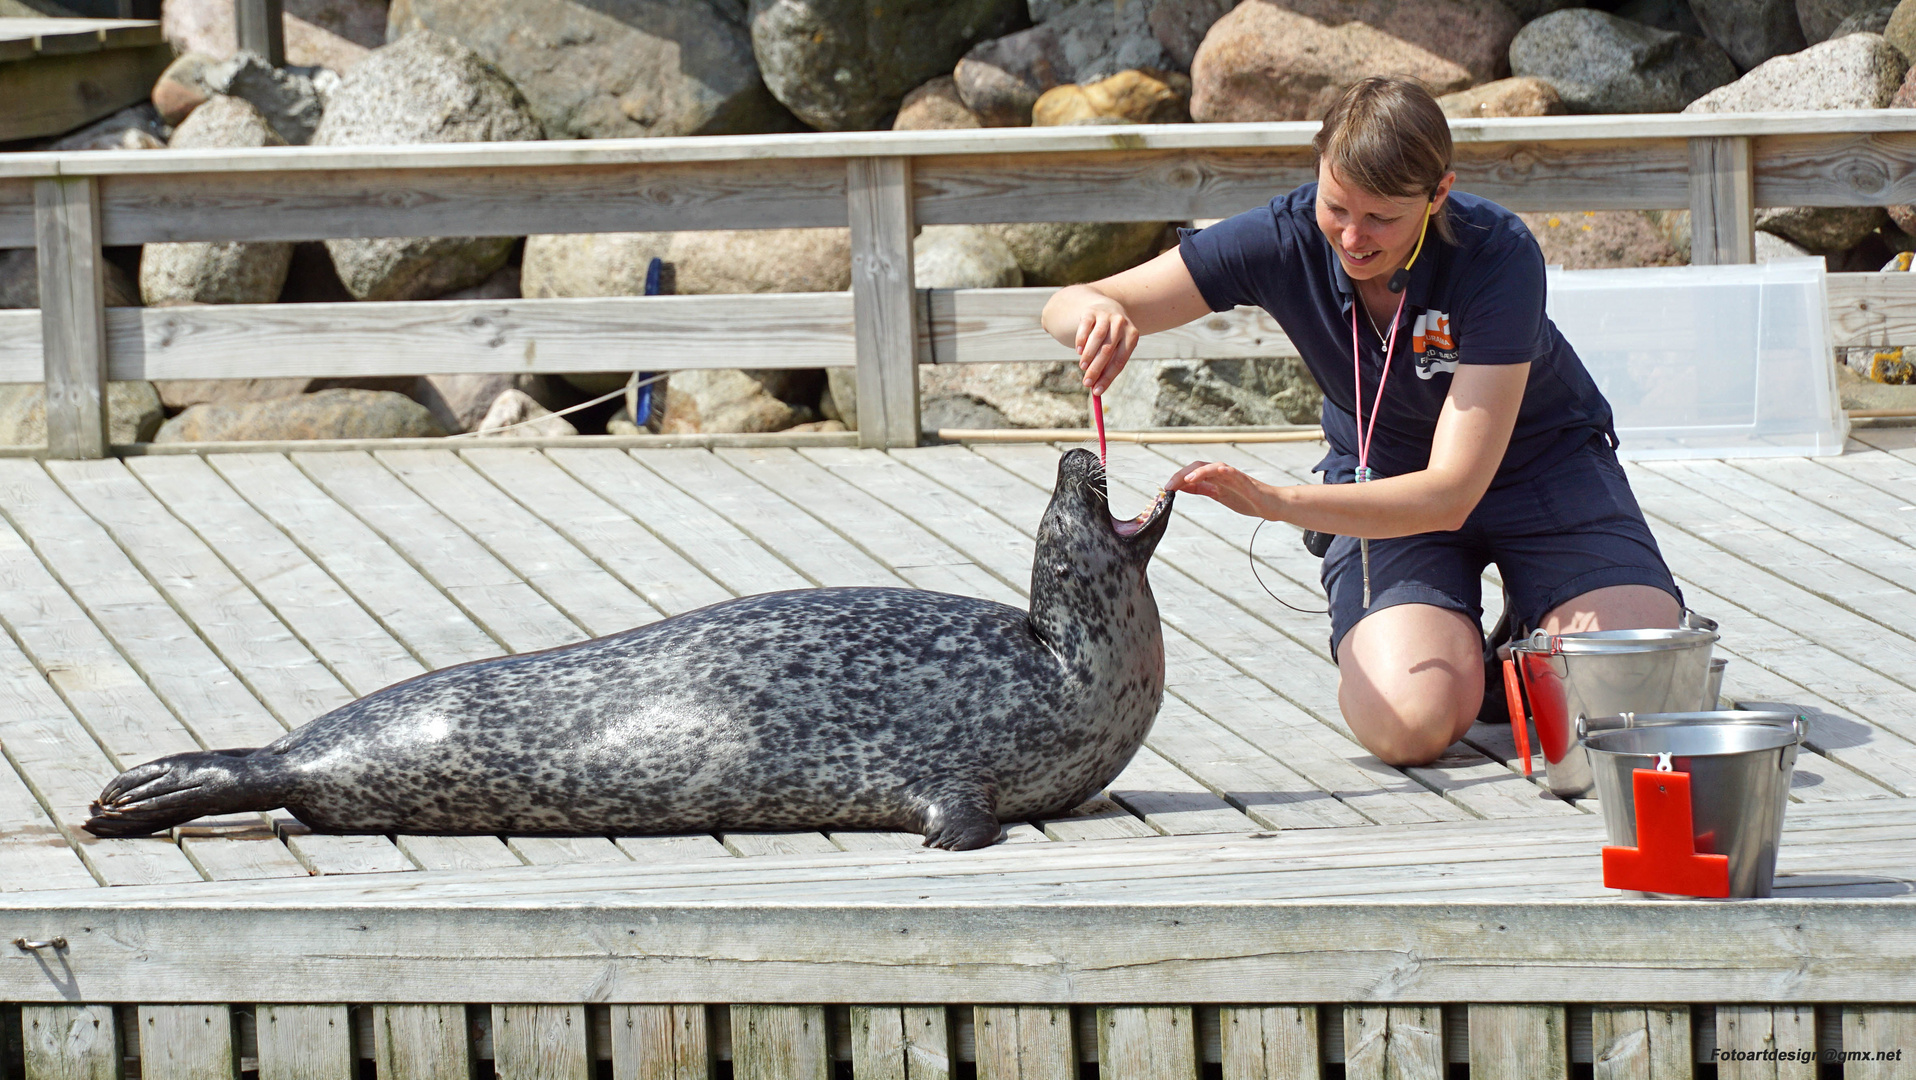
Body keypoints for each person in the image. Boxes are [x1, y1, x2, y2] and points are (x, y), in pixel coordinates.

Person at [1039, 76, 1682, 768]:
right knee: (1408, 728)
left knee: (1635, 704)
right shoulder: (1283, 236)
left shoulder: (1496, 252)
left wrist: (1277, 503)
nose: (1351, 237)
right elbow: (1070, 303)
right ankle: (1492, 661)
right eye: (1336, 206)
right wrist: (1098, 316)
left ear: (1438, 194)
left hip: (1542, 468)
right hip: (1382, 478)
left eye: (1380, 218)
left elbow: (1452, 491)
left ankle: (1540, 629)